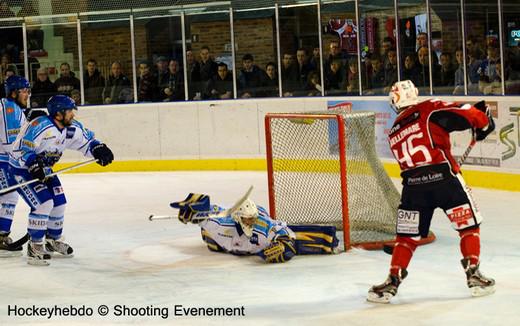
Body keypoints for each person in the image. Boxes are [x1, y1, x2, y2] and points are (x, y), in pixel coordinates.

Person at [367, 80, 496, 303]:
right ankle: (473, 274)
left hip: (413, 189)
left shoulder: (394, 131)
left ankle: (392, 280)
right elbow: (464, 112)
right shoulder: (428, 108)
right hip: (445, 181)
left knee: (407, 238)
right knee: (468, 227)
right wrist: (483, 123)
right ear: (415, 95)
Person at [8, 95, 114, 265]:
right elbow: (23, 148)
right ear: (58, 113)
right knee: (44, 203)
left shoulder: (71, 128)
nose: (73, 114)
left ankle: (52, 240)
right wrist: (33, 164)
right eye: (70, 111)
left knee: (59, 202)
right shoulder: (40, 126)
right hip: (21, 169)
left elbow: (87, 142)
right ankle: (35, 246)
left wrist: (98, 148)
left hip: (44, 169)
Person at [170, 189, 339, 263]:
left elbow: (285, 232)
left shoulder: (263, 226)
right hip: (223, 243)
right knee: (210, 240)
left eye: (253, 219)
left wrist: (284, 246)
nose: (251, 222)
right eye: (248, 220)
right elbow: (207, 212)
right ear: (238, 218)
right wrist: (194, 214)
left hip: (250, 238)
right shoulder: (221, 224)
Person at [0, 76, 32, 257]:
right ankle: (1, 235)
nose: (27, 94)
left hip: (4, 159)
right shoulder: (9, 109)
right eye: (24, 91)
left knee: (8, 196)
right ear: (14, 92)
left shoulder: (13, 108)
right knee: (9, 196)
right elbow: (11, 144)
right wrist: (28, 160)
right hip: (3, 160)